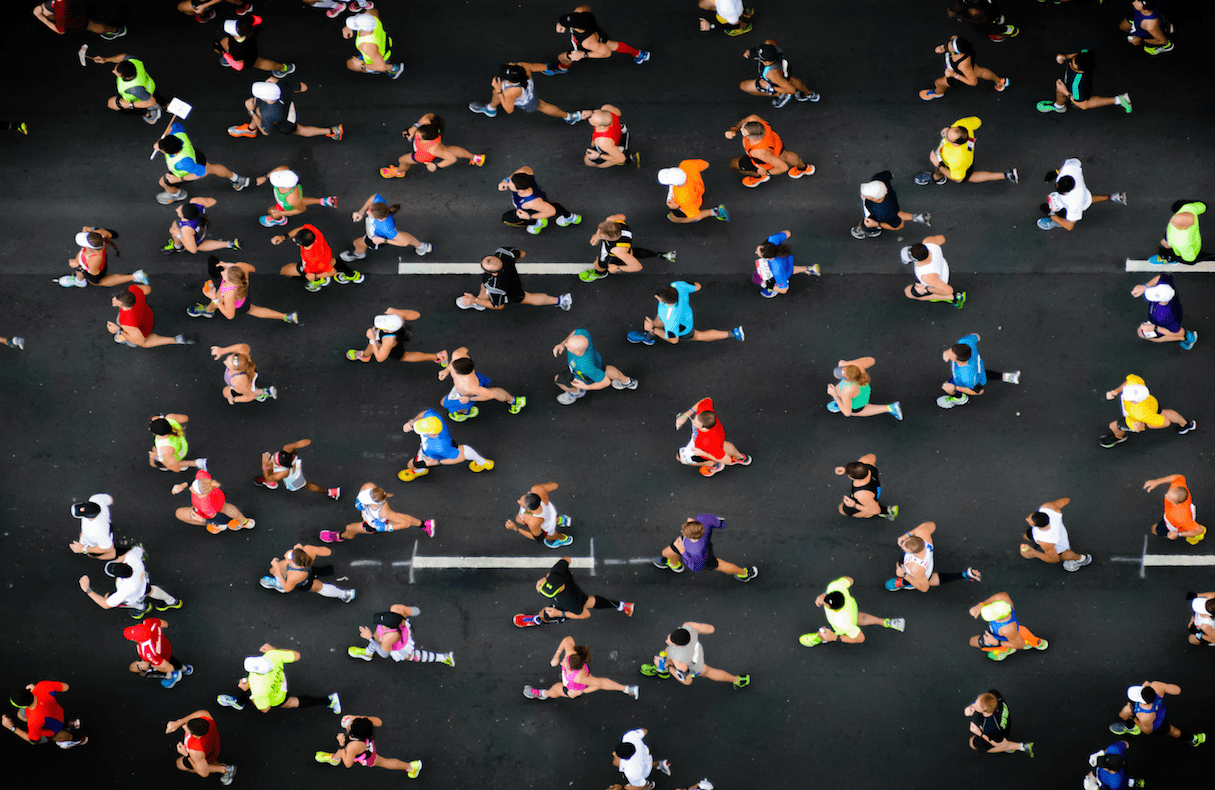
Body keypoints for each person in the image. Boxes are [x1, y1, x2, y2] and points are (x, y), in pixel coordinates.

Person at [217, 643, 343, 714]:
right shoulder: (272, 655)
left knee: (291, 703)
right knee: (293, 701)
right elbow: (296, 655)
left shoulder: (257, 687)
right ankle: (329, 701)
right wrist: (275, 650)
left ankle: (239, 702)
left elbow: (265, 708)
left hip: (275, 698)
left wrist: (248, 691)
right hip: (281, 682)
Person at [514, 556, 634, 626]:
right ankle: (622, 606)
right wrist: (546, 579)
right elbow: (566, 559)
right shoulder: (558, 571)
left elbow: (585, 614)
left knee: (546, 613)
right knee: (589, 601)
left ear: (561, 587)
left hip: (565, 607)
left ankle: (538, 619)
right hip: (577, 594)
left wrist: (559, 613)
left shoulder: (568, 601)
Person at [155, 120, 252, 205]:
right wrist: (161, 141)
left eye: (162, 149)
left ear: (169, 152)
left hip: (185, 172)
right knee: (212, 168)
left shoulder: (183, 163)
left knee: (163, 182)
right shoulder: (178, 133)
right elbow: (173, 126)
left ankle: (177, 194)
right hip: (196, 156)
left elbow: (202, 172)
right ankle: (236, 178)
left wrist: (179, 179)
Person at [538, 6, 650, 74]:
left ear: (576, 28)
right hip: (599, 35)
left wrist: (583, 55)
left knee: (562, 57)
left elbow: (606, 53)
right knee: (612, 44)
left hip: (583, 50)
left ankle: (562, 69)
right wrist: (562, 23)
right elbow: (584, 7)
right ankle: (638, 54)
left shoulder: (588, 43)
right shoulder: (582, 12)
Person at [79, 545, 182, 619]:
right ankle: (172, 601)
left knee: (119, 599)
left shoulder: (125, 589)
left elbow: (106, 605)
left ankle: (142, 608)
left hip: (133, 595)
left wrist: (88, 590)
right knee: (150, 590)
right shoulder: (133, 559)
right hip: (144, 583)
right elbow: (136, 549)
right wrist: (120, 559)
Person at [629, 281, 743, 346]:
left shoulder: (671, 320)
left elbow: (674, 340)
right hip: (683, 316)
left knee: (700, 336)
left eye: (657, 298)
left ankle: (734, 333)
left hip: (683, 328)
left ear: (664, 301)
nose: (655, 297)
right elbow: (698, 286)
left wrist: (653, 329)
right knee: (656, 322)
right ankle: (648, 338)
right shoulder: (677, 286)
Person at [458, 246, 572, 312]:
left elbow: (498, 306)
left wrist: (475, 300)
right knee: (483, 286)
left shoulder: (494, 286)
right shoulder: (503, 253)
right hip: (512, 279)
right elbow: (521, 253)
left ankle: (561, 301)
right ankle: (479, 301)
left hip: (511, 292)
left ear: (492, 272)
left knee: (530, 298)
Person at [523, 636, 639, 700]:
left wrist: (580, 692)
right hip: (578, 675)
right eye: (564, 659)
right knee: (601, 682)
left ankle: (542, 694)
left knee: (554, 689)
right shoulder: (570, 655)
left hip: (572, 687)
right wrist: (556, 655)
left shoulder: (579, 678)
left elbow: (597, 685)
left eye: (564, 662)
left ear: (571, 668)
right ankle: (628, 689)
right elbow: (567, 639)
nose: (562, 661)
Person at [639, 623, 750, 689]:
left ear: (677, 646)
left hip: (693, 664)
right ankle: (739, 680)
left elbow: (687, 681)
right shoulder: (688, 627)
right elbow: (710, 629)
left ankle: (663, 668)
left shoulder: (679, 662)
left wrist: (669, 668)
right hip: (695, 650)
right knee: (668, 653)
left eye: (670, 640)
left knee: (709, 672)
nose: (667, 639)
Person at [652, 514, 759, 581]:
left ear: (690, 537)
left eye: (684, 532)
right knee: (666, 553)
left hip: (700, 555)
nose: (681, 531)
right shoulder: (703, 518)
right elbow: (721, 523)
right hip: (685, 543)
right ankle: (675, 565)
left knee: (719, 565)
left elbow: (696, 567)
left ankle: (743, 573)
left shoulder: (696, 551)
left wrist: (681, 549)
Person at [229, 78, 343, 141]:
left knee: (301, 130)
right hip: (288, 107)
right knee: (259, 110)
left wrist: (251, 111)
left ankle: (332, 131)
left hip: (285, 123)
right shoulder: (282, 85)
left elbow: (265, 132)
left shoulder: (269, 113)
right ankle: (250, 129)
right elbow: (303, 87)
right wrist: (276, 80)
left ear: (265, 98)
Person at [1099, 374, 1196, 448]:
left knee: (1114, 426)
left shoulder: (1142, 414)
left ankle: (1119, 438)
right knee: (1164, 412)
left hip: (1134, 419)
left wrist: (1145, 425)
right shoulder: (1136, 383)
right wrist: (1115, 391)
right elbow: (1127, 383)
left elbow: (1166, 423)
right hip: (1152, 404)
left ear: (1135, 401)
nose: (1125, 392)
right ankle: (1186, 424)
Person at [914, 116, 1017, 186]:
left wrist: (938, 165)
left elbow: (958, 179)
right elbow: (978, 121)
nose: (944, 135)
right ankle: (1008, 174)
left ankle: (938, 178)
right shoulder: (963, 125)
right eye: (948, 131)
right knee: (966, 174)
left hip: (954, 165)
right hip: (968, 159)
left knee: (967, 177)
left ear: (956, 144)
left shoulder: (956, 159)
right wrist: (948, 130)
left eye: (947, 136)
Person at [186, 260, 298, 323]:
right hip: (243, 293)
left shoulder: (229, 294)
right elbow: (252, 268)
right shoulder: (240, 268)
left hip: (238, 304)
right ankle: (287, 317)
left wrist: (213, 298)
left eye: (225, 272)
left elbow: (229, 315)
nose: (223, 271)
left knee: (253, 310)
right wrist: (230, 265)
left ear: (230, 279)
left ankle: (285, 317)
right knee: (220, 296)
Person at [397, 409, 494, 481]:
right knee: (461, 448)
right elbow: (425, 413)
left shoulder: (440, 448)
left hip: (430, 456)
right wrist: (412, 422)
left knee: (411, 464)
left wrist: (437, 462)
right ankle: (482, 462)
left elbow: (460, 457)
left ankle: (419, 471)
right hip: (448, 441)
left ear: (430, 433)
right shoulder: (434, 418)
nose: (415, 428)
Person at [469, 63, 582, 123]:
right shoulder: (522, 67)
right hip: (528, 87)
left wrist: (499, 90)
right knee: (495, 92)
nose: (510, 63)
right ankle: (490, 109)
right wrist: (550, 67)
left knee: (542, 106)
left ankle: (568, 117)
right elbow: (536, 66)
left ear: (509, 80)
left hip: (527, 101)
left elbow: (509, 110)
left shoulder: (510, 92)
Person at [320, 482, 433, 543]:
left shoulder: (384, 512)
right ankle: (425, 524)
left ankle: (339, 536)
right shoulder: (370, 487)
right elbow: (365, 486)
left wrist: (386, 528)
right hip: (370, 516)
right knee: (401, 516)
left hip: (372, 523)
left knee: (350, 528)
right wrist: (358, 501)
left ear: (375, 503)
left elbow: (405, 524)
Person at [381, 112, 484, 178]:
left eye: (419, 137)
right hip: (437, 145)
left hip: (423, 155)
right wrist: (413, 128)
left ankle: (399, 171)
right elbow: (428, 116)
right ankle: (476, 158)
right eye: (418, 131)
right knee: (446, 149)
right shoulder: (431, 126)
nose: (416, 134)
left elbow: (452, 159)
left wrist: (436, 166)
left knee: (402, 160)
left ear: (427, 139)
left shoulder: (433, 150)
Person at [885, 522, 981, 591]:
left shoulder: (916, 569)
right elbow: (931, 525)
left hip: (919, 573)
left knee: (922, 581)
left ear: (912, 552)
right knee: (929, 577)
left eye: (904, 546)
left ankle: (905, 583)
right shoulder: (922, 535)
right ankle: (964, 575)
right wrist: (907, 535)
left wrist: (904, 574)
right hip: (927, 564)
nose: (901, 545)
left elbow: (924, 588)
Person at [314, 714, 423, 775]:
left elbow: (348, 763)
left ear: (353, 734)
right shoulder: (366, 724)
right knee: (345, 749)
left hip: (368, 758)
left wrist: (341, 744)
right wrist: (354, 717)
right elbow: (379, 721)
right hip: (367, 745)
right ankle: (335, 759)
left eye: (350, 726)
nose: (348, 725)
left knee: (384, 762)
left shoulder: (353, 746)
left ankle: (411, 766)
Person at [437, 347, 526, 421]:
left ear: (459, 373)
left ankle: (513, 401)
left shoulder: (470, 386)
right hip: (472, 382)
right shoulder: (458, 355)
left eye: (452, 368)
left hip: (467, 394)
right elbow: (464, 349)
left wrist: (469, 398)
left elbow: (490, 395)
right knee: (449, 403)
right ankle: (513, 400)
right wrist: (446, 370)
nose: (451, 366)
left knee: (493, 392)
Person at [347, 604, 455, 666]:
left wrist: (369, 637)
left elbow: (384, 654)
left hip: (400, 646)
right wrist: (405, 610)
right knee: (376, 638)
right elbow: (417, 611)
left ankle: (444, 658)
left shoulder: (388, 638)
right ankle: (367, 654)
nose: (378, 624)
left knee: (412, 656)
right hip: (403, 632)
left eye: (381, 624)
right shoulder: (397, 609)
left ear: (389, 628)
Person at [552, 328, 638, 405]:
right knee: (605, 370)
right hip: (597, 362)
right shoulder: (583, 334)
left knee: (558, 380)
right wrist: (562, 344)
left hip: (584, 376)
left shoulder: (585, 367)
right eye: (567, 343)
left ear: (577, 352)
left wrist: (586, 387)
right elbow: (575, 332)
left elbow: (606, 382)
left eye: (569, 347)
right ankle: (627, 382)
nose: (566, 345)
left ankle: (576, 392)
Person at [725, 114, 814, 186]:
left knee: (734, 164)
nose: (741, 129)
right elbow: (746, 120)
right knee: (786, 156)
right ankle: (804, 168)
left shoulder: (759, 153)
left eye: (743, 132)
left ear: (751, 138)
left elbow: (783, 167)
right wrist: (734, 130)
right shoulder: (756, 121)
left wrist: (766, 172)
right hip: (777, 146)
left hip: (764, 162)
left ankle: (760, 177)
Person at [1038, 159, 1127, 231]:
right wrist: (1056, 172)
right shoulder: (1071, 169)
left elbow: (1069, 226)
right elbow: (1076, 161)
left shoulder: (1074, 204)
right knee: (1088, 199)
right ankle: (1112, 197)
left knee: (1063, 215)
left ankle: (1056, 222)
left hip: (1074, 204)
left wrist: (1052, 214)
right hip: (1084, 195)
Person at [672, 397, 751, 477]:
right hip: (718, 437)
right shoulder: (705, 412)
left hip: (702, 449)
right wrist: (686, 415)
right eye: (695, 418)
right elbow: (706, 399)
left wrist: (703, 453)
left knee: (682, 459)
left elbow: (727, 460)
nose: (692, 421)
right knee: (722, 446)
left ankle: (713, 465)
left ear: (704, 428)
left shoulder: (708, 443)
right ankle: (740, 457)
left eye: (696, 423)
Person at [579, 214, 674, 281]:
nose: (599, 235)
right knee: (631, 253)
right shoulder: (614, 221)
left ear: (609, 238)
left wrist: (618, 268)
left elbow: (637, 267)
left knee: (599, 264)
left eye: (601, 236)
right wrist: (597, 234)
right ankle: (660, 254)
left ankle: (599, 273)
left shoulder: (617, 251)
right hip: (625, 246)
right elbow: (622, 216)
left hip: (616, 256)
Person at [1109, 681, 1205, 746]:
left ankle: (1193, 739)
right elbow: (1177, 690)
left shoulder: (1143, 716)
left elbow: (1147, 731)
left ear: (1142, 701)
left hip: (1157, 724)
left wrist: (1132, 716)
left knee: (1174, 732)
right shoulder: (1156, 686)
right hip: (1160, 712)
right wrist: (1151, 688)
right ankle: (1132, 727)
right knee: (1127, 715)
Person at [938, 332, 1020, 408]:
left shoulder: (966, 377)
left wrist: (955, 388)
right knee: (984, 374)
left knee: (949, 387)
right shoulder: (966, 342)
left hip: (963, 381)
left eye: (951, 354)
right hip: (979, 371)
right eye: (951, 350)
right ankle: (1008, 377)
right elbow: (977, 336)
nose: (948, 353)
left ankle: (960, 399)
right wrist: (949, 352)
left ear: (958, 359)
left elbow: (979, 391)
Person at [272, 222, 363, 291]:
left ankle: (319, 280)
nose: (293, 239)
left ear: (303, 244)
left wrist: (315, 276)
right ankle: (353, 275)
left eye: (296, 241)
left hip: (313, 267)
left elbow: (332, 272)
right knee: (334, 262)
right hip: (327, 256)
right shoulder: (313, 232)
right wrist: (284, 236)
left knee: (284, 271)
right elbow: (302, 229)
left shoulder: (314, 258)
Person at [341, 193, 432, 261]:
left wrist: (383, 241)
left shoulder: (386, 229)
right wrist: (361, 211)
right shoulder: (380, 205)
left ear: (379, 219)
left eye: (370, 212)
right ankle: (422, 246)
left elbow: (404, 243)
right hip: (384, 233)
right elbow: (374, 196)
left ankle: (359, 254)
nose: (367, 212)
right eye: (369, 209)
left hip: (376, 239)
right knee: (400, 235)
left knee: (357, 243)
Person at [1037, 51, 1131, 114]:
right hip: (1083, 86)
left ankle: (1059, 107)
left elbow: (1083, 106)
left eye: (1073, 65)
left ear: (1081, 71)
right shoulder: (1086, 54)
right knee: (1072, 95)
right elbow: (1077, 54)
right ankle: (1063, 104)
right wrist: (1065, 57)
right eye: (1073, 60)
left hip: (1077, 91)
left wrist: (1065, 92)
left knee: (1078, 99)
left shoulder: (1076, 84)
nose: (1069, 63)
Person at [918, 35, 1008, 101]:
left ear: (955, 52)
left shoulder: (963, 65)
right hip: (971, 66)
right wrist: (943, 47)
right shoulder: (958, 42)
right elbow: (952, 39)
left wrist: (954, 75)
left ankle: (938, 92)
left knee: (938, 82)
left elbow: (973, 82)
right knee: (980, 72)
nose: (948, 45)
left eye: (948, 47)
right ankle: (999, 81)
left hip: (958, 76)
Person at [499, 166, 582, 235]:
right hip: (541, 199)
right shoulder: (527, 175)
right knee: (554, 206)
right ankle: (569, 217)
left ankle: (539, 223)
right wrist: (505, 180)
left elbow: (551, 211)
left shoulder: (532, 202)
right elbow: (525, 168)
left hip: (531, 210)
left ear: (520, 189)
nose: (508, 184)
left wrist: (529, 217)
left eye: (510, 185)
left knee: (506, 219)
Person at [258, 544, 356, 602]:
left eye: (288, 557)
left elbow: (287, 588)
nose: (285, 555)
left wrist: (277, 569)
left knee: (318, 587)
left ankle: (344, 595)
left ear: (292, 562)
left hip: (303, 580)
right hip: (308, 568)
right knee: (272, 570)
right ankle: (344, 594)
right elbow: (327, 551)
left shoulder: (294, 575)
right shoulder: (308, 550)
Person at [2, 680, 86, 749]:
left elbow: (33, 741)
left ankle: (77, 739)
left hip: (51, 729)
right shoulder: (42, 685)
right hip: (58, 712)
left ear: (23, 705)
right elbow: (66, 687)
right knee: (21, 715)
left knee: (57, 736)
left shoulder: (34, 721)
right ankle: (68, 723)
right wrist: (37, 689)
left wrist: (12, 727)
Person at [108, 283, 195, 348]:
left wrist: (119, 331)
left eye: (116, 301)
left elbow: (140, 341)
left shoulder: (126, 322)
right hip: (147, 314)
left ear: (124, 306)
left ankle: (174, 340)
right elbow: (148, 289)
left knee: (139, 343)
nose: (113, 300)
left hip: (142, 329)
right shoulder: (134, 289)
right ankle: (178, 339)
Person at [968, 592, 1047, 661]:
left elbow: (1020, 644)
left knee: (977, 645)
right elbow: (997, 597)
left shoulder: (1007, 630)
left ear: (998, 618)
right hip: (1017, 632)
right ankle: (1039, 643)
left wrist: (997, 643)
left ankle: (1008, 649)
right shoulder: (1004, 600)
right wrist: (981, 605)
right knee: (1026, 635)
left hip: (1002, 639)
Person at [171, 469, 255, 534]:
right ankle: (245, 522)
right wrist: (183, 485)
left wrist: (203, 520)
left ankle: (220, 526)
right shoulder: (202, 476)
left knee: (178, 513)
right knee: (224, 507)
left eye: (193, 489)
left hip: (208, 511)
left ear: (201, 494)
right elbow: (195, 478)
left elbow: (217, 517)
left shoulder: (205, 505)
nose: (190, 487)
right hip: (218, 497)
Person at [739, 40, 820, 108]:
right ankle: (808, 94)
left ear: (766, 61)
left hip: (775, 80)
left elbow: (791, 90)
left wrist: (769, 87)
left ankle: (781, 95)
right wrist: (751, 51)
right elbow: (770, 43)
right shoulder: (772, 44)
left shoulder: (771, 74)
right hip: (785, 71)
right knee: (791, 80)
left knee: (744, 86)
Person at [58, 227, 147, 288]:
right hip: (97, 262)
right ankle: (79, 281)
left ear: (90, 247)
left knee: (99, 282)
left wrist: (77, 267)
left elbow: (94, 277)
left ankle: (135, 276)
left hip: (96, 271)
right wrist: (92, 229)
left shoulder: (94, 260)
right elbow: (114, 234)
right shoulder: (99, 235)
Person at [347, 309, 447, 364]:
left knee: (404, 356)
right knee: (377, 342)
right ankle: (365, 354)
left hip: (392, 343)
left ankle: (438, 356)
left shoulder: (388, 341)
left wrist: (372, 339)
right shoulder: (397, 317)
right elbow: (417, 314)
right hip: (398, 334)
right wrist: (399, 312)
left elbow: (380, 358)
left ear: (388, 329)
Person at [1019, 497, 1093, 571]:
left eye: (1030, 520)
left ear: (1035, 525)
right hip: (1060, 534)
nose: (1026, 519)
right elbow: (1066, 500)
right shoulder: (1048, 508)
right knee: (1027, 535)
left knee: (1063, 555)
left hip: (1060, 545)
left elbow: (1054, 559)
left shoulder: (1046, 542)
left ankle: (1082, 559)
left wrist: (1034, 553)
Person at [851, 172, 930, 239]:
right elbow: (890, 174)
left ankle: (871, 230)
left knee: (863, 226)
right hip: (891, 205)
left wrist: (876, 224)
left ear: (875, 198)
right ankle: (917, 217)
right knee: (895, 213)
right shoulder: (878, 180)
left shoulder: (883, 212)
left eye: (866, 194)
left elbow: (898, 225)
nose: (863, 194)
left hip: (876, 217)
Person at [90, 54, 164, 124]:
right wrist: (106, 59)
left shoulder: (134, 89)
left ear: (124, 76)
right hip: (149, 85)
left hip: (138, 97)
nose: (113, 71)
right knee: (155, 97)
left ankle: (151, 111)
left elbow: (151, 102)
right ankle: (163, 104)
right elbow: (123, 57)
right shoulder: (135, 61)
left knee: (112, 103)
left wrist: (130, 105)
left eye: (116, 72)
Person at [255, 439, 341, 499]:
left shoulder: (284, 472)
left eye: (275, 460)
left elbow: (269, 478)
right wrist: (309, 442)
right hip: (295, 468)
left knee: (307, 485)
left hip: (294, 479)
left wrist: (264, 464)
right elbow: (305, 442)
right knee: (270, 467)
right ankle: (331, 492)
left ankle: (329, 492)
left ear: (282, 466)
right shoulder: (288, 450)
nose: (272, 458)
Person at [164, 711, 235, 784]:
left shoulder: (195, 751)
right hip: (214, 742)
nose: (185, 726)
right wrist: (178, 722)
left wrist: (186, 755)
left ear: (196, 736)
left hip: (206, 755)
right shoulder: (206, 717)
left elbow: (204, 773)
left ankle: (224, 769)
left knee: (179, 764)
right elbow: (199, 714)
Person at [254, 167, 336, 228]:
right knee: (301, 200)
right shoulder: (286, 175)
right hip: (292, 198)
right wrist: (265, 177)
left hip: (286, 206)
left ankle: (280, 220)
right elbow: (281, 168)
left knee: (271, 211)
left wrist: (281, 213)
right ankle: (323, 201)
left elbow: (301, 209)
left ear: (284, 187)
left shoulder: (291, 200)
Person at [124, 618, 193, 689]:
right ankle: (185, 669)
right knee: (171, 660)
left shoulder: (147, 653)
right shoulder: (149, 622)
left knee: (168, 664)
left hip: (161, 656)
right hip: (165, 645)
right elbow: (165, 624)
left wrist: (151, 665)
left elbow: (169, 668)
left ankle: (174, 675)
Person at [1131, 275, 1196, 349]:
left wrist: (1155, 328)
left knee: (1142, 334)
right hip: (1164, 318)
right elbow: (1160, 277)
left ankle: (1186, 338)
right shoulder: (1166, 288)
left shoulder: (1164, 316)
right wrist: (1145, 286)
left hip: (1163, 325)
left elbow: (1178, 331)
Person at [826, 358, 903, 420]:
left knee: (857, 411)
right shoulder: (857, 369)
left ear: (848, 379)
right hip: (863, 389)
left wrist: (835, 395)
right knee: (845, 399)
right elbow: (872, 360)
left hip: (857, 402)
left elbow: (847, 413)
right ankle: (842, 402)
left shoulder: (847, 391)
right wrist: (848, 363)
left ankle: (891, 408)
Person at [214, 17, 295, 75]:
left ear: (233, 34)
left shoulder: (237, 50)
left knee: (259, 63)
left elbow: (239, 66)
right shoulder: (245, 22)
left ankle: (283, 68)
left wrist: (223, 52)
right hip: (250, 44)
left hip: (247, 57)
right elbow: (258, 19)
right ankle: (284, 68)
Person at [901, 236, 965, 308]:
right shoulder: (928, 241)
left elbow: (948, 290)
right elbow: (942, 238)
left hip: (938, 280)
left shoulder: (927, 277)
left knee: (908, 292)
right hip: (942, 266)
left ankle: (951, 298)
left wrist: (926, 289)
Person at [1143, 474, 1206, 544]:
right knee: (1190, 524)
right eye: (1168, 493)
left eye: (1168, 498)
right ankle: (1190, 530)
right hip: (1189, 511)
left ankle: (1188, 534)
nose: (1165, 495)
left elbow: (1200, 530)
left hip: (1173, 525)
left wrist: (1178, 534)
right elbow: (1178, 477)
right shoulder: (1178, 489)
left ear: (1176, 504)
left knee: (1154, 529)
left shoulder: (1180, 518)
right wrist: (1157, 481)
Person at [752, 229, 819, 297]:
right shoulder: (772, 239)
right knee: (788, 268)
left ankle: (774, 289)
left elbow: (784, 290)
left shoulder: (776, 271)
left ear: (767, 257)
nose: (756, 252)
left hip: (781, 272)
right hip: (787, 259)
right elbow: (788, 233)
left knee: (773, 277)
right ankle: (810, 269)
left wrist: (764, 284)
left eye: (758, 253)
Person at [964, 690, 1033, 755]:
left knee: (972, 742)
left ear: (985, 711)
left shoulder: (990, 727)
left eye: (976, 705)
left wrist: (979, 733)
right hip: (1005, 723)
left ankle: (1020, 747)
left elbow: (999, 743)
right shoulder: (995, 695)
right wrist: (972, 706)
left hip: (999, 733)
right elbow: (984, 700)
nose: (974, 704)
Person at [507, 481, 573, 548]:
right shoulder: (537, 489)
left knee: (549, 536)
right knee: (519, 519)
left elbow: (538, 537)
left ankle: (563, 538)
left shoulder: (534, 522)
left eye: (521, 502)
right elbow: (554, 485)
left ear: (529, 510)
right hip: (550, 511)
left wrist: (515, 528)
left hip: (549, 526)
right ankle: (559, 520)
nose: (518, 501)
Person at [163, 198, 240, 254]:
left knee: (174, 232)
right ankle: (230, 244)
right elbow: (213, 201)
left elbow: (193, 250)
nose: (176, 209)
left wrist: (179, 235)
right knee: (174, 229)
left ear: (186, 218)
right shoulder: (196, 202)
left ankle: (179, 247)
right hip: (202, 225)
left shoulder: (186, 229)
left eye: (180, 213)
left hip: (197, 236)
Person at [659, 161, 728, 224]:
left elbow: (698, 217)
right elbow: (706, 164)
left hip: (692, 204)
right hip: (699, 191)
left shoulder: (683, 199)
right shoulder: (686, 164)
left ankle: (716, 211)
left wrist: (676, 208)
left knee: (673, 218)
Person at [342, 11, 404, 78]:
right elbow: (371, 10)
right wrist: (348, 27)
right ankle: (386, 62)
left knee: (350, 64)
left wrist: (362, 65)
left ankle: (392, 69)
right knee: (377, 55)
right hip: (384, 45)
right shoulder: (372, 16)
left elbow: (381, 66)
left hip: (375, 58)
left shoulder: (366, 46)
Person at [835, 454, 898, 520]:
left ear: (853, 477)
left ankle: (869, 514)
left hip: (866, 499)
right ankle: (883, 509)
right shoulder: (867, 461)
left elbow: (876, 510)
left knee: (841, 509)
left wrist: (854, 505)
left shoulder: (861, 495)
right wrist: (847, 470)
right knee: (872, 502)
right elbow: (873, 456)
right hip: (875, 490)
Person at [211, 343, 278, 404]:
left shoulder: (238, 380)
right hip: (250, 372)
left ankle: (263, 392)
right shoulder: (242, 356)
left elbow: (249, 396)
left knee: (225, 392)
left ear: (236, 370)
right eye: (229, 357)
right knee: (233, 390)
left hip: (245, 384)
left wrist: (234, 399)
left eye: (227, 363)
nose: (224, 361)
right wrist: (222, 351)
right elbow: (243, 346)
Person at [33, 0, 126, 39]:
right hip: (77, 5)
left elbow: (60, 31)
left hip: (75, 16)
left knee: (91, 25)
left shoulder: (61, 9)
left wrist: (41, 17)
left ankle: (116, 30)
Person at [68, 494, 117, 560]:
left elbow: (108, 548)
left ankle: (100, 558)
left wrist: (84, 549)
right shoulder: (96, 499)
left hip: (94, 542)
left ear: (91, 518)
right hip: (106, 525)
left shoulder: (97, 533)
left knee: (110, 554)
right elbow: (110, 500)